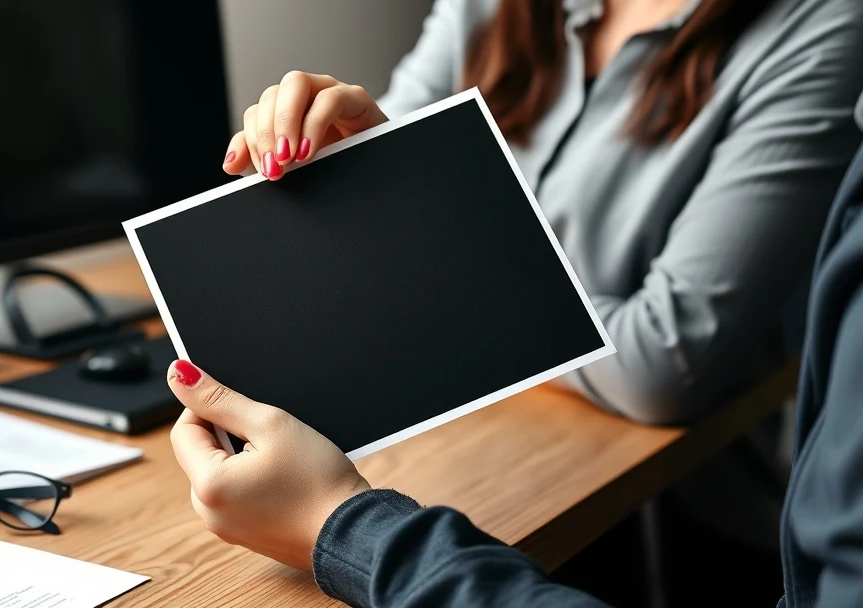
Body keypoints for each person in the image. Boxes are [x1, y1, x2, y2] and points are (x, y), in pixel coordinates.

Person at [165, 89, 863, 604]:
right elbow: (386, 180)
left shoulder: (812, 32)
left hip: (701, 507)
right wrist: (399, 180)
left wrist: (338, 525)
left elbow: (662, 359)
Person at [223, 0, 863, 426]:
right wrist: (354, 171)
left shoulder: (817, 28)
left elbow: (662, 364)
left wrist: (414, 251)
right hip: (459, 437)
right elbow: (371, 243)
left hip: (668, 515)